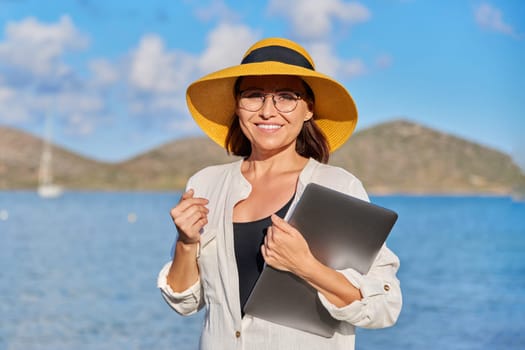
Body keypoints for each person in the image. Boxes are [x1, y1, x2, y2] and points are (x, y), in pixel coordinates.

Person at [157, 37, 402, 350]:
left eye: (286, 97)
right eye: (254, 96)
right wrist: (186, 243)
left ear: (308, 109)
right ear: (237, 106)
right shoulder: (205, 184)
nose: (267, 111)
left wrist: (306, 266)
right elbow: (183, 302)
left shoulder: (340, 187)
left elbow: (385, 306)